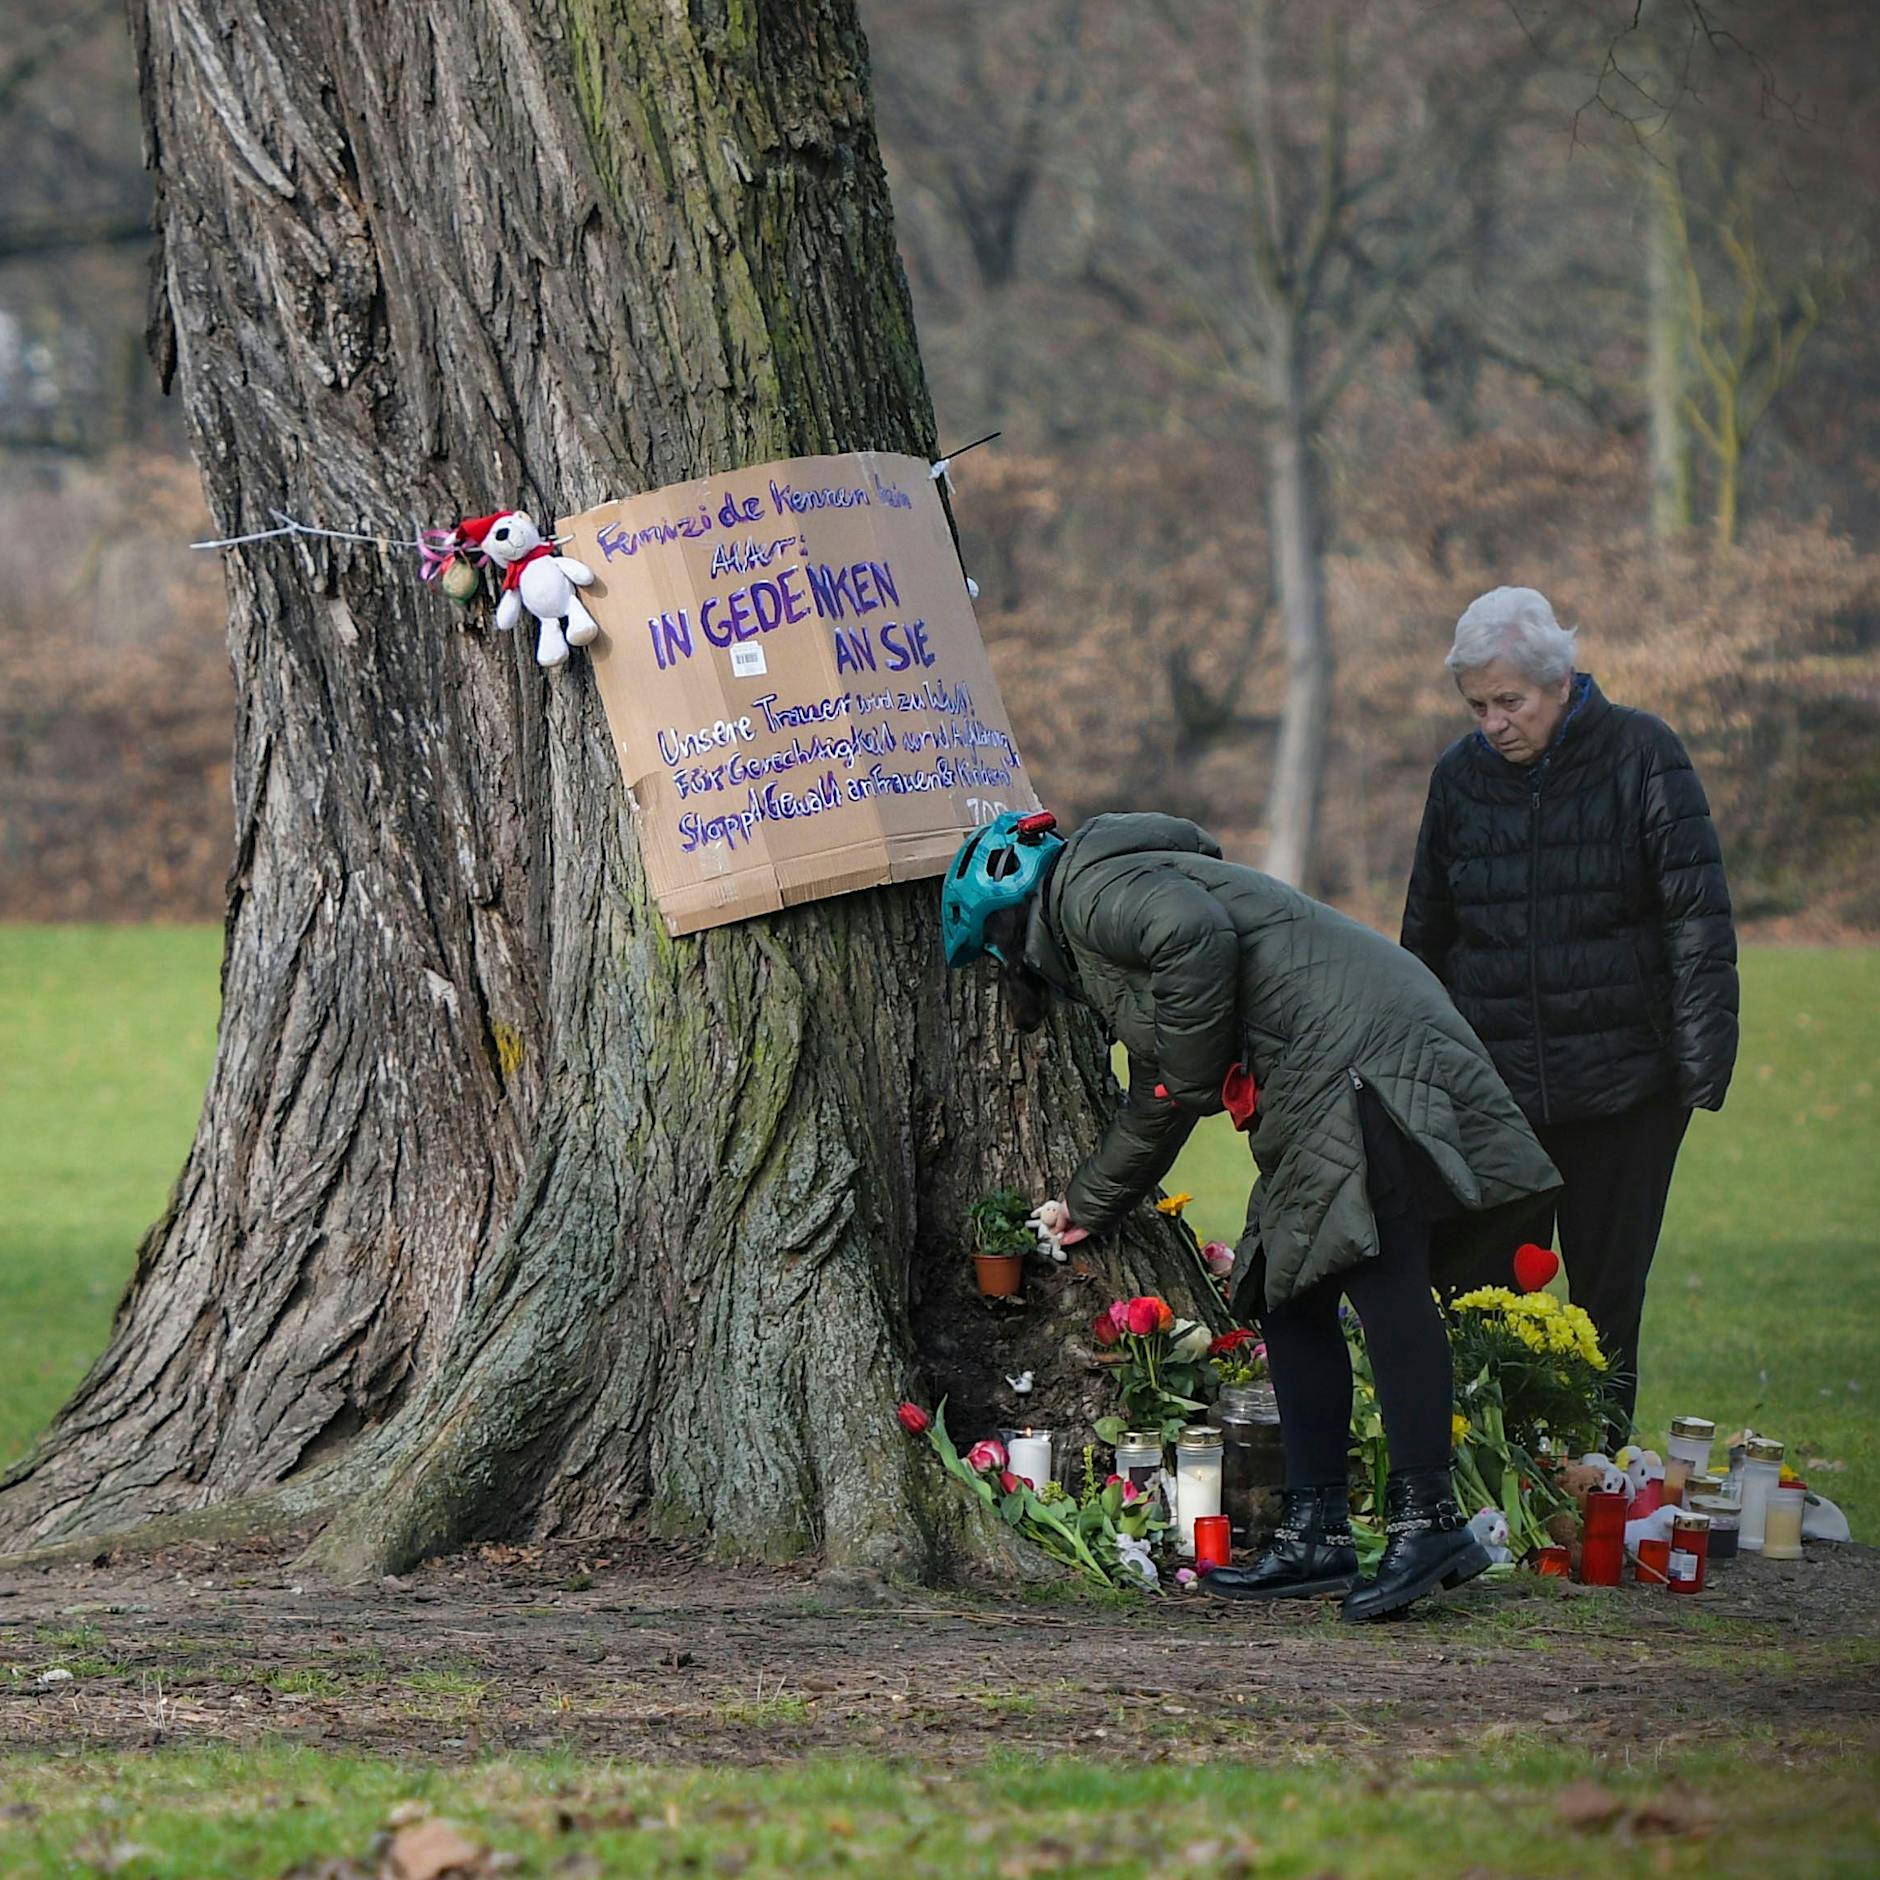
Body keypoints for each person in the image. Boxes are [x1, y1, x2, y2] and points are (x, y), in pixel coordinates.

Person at [942, 809, 1561, 1621]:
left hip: (1353, 1052)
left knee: (1378, 1275)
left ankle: (1431, 1522)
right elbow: (1162, 1087)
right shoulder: (1108, 917)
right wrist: (1089, 1203)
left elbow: (1194, 944)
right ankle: (1316, 1533)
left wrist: (1195, 1073)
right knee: (1287, 1293)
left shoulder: (1087, 889)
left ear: (1007, 929)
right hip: (1321, 1060)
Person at [1402, 586, 1738, 1431]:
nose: (1493, 723)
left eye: (1509, 702)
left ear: (1560, 683)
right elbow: (1426, 940)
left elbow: (1696, 918)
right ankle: (1494, 1475)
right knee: (1480, 1297)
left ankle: (1599, 1478)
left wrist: (1698, 1072)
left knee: (1607, 1301)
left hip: (1627, 1092)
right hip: (1494, 1092)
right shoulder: (1457, 779)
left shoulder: (1643, 754)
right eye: (1477, 705)